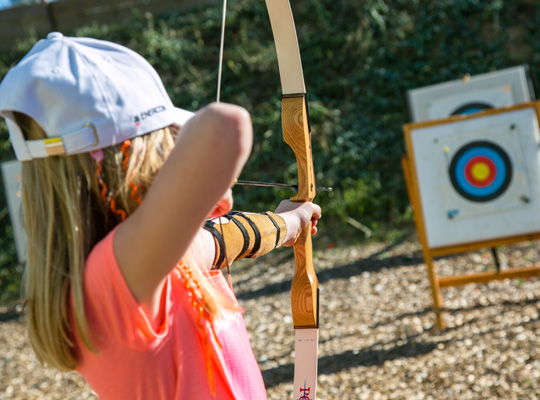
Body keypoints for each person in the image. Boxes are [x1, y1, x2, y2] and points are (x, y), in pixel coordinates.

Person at [0, 33, 321, 399]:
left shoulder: (142, 268)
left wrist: (289, 223)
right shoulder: (112, 281)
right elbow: (226, 126)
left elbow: (219, 239)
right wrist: (203, 176)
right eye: (163, 139)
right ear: (131, 156)